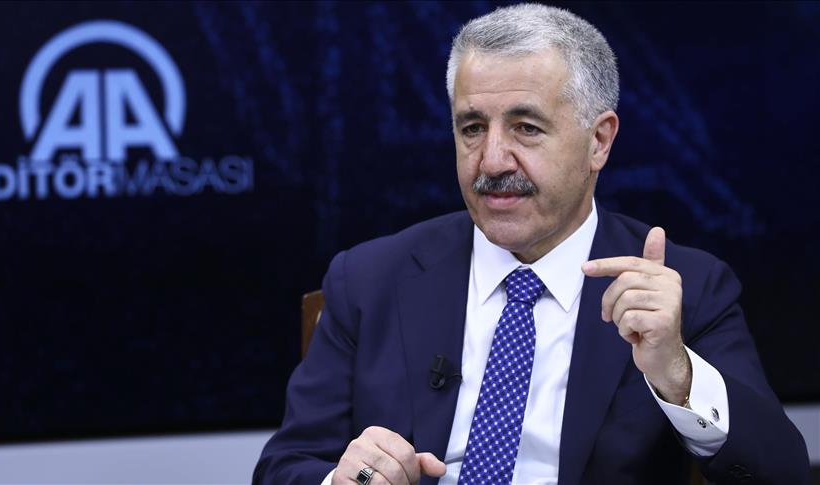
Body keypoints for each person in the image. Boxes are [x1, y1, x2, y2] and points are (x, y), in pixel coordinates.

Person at [254, 4, 809, 484]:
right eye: (472, 128)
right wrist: (344, 479)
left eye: (526, 128)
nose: (492, 160)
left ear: (599, 141)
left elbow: (778, 471)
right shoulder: (369, 279)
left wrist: (678, 374)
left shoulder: (687, 289)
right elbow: (284, 466)